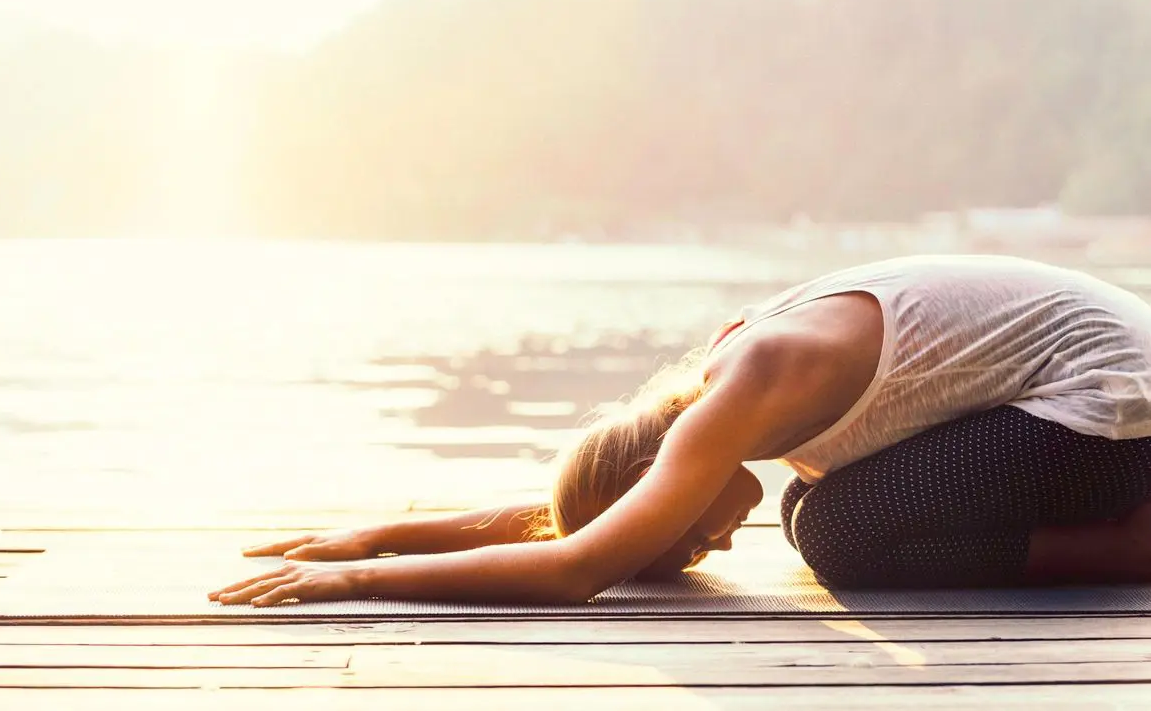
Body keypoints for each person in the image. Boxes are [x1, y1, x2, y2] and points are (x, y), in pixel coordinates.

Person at [209, 254, 1151, 607]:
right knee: (812, 512)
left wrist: (350, 577)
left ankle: (1133, 545)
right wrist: (383, 527)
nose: (716, 535)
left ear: (662, 470)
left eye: (688, 532)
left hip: (1113, 403)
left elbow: (579, 565)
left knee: (838, 531)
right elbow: (572, 520)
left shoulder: (747, 385)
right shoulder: (715, 396)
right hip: (1095, 397)